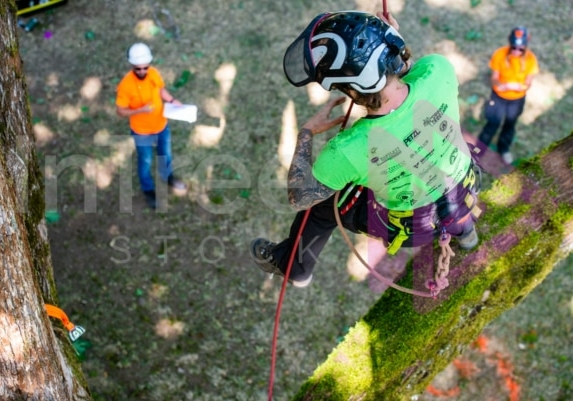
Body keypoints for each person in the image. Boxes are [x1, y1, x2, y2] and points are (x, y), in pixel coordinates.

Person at [250, 11, 481, 288]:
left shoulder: (349, 150)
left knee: (322, 205)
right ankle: (466, 232)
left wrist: (306, 134)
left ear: (349, 89)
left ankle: (295, 266)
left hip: (415, 227)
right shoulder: (438, 70)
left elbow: (299, 198)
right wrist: (389, 48)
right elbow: (408, 71)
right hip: (465, 184)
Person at [116, 43, 187, 209]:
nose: (142, 71)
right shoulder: (126, 85)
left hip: (161, 125)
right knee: (145, 161)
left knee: (166, 155)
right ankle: (148, 190)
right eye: (137, 68)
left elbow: (161, 90)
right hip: (142, 131)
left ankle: (168, 177)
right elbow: (120, 111)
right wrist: (140, 110)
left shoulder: (154, 73)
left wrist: (172, 100)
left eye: (144, 68)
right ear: (132, 66)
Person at [477, 27, 539, 165]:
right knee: (492, 123)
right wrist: (502, 85)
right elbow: (494, 78)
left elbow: (528, 83)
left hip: (516, 99)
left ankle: (503, 149)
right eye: (514, 47)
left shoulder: (530, 60)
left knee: (509, 124)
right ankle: (478, 151)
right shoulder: (500, 54)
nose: (516, 51)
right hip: (499, 96)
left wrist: (520, 87)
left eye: (520, 49)